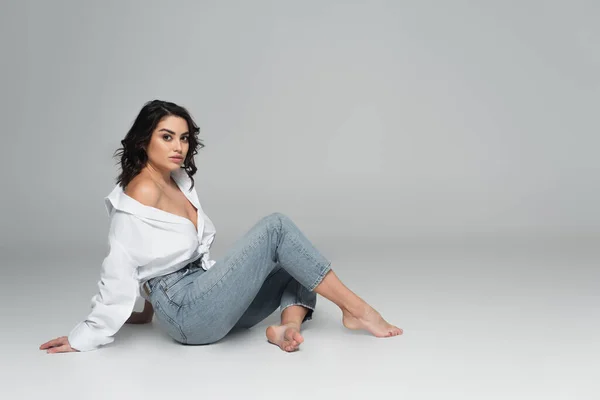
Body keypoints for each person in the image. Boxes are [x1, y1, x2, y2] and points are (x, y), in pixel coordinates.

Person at [39, 100, 402, 354]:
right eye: (167, 136)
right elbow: (120, 263)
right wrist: (86, 335)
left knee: (298, 261)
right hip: (188, 316)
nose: (179, 146)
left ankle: (286, 329)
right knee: (276, 228)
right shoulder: (142, 188)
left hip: (206, 298)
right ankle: (358, 310)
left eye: (183, 138)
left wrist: (146, 311)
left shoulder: (177, 180)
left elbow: (155, 251)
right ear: (143, 140)